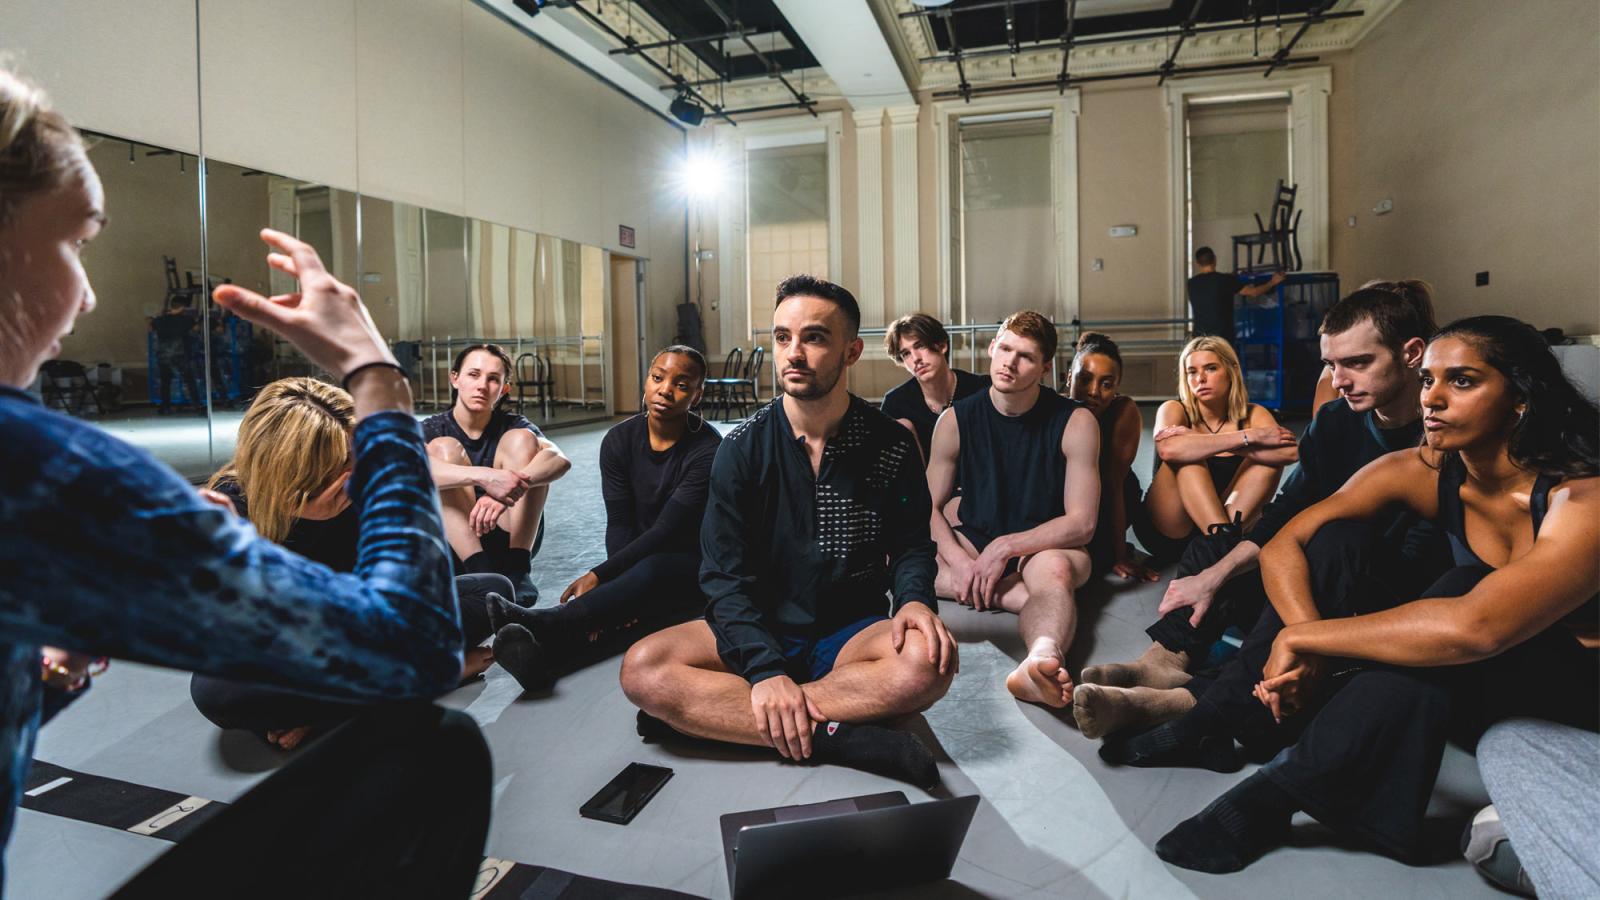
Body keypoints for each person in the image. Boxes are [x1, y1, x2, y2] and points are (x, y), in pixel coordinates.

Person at [0, 70, 487, 895]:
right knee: (433, 759)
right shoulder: (38, 471)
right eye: (76, 243)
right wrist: (378, 381)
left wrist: (48, 670)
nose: (85, 295)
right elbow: (415, 645)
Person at [1149, 315, 1599, 873]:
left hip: (1577, 699)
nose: (1433, 399)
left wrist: (1307, 638)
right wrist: (1308, 642)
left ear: (1521, 398)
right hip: (1479, 686)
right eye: (1429, 379)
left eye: (1462, 381)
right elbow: (1290, 540)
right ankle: (1244, 728)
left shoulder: (1582, 499)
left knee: (1460, 593)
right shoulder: (1430, 467)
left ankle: (1276, 793)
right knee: (1340, 539)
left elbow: (1478, 627)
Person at [620, 275, 954, 788]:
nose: (792, 353)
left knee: (929, 665)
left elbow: (912, 544)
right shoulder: (741, 449)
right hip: (759, 623)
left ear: (851, 351)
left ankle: (720, 720)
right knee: (642, 668)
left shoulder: (889, 443)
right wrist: (764, 667)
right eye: (781, 338)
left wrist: (913, 601)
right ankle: (836, 736)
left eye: (814, 337)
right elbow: (722, 576)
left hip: (848, 632)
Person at [1081, 283, 1441, 740]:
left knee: (1333, 546)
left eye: (1358, 363)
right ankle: (1162, 665)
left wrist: (1301, 604)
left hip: (1363, 602)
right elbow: (1286, 511)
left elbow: (1416, 564)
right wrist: (1216, 573)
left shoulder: (1440, 435)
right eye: (1331, 365)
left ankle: (1192, 704)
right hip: (1302, 571)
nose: (1339, 380)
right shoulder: (1335, 419)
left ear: (1412, 354)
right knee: (1215, 547)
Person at [188, 378, 543, 749]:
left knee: (490, 593)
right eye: (340, 470)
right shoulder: (231, 513)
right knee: (218, 690)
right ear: (293, 474)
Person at [487, 346, 722, 690]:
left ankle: (547, 622)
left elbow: (666, 532)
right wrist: (619, 589)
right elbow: (620, 522)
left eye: (682, 385)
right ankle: (546, 663)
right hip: (639, 563)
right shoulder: (618, 440)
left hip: (693, 567)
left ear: (697, 395)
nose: (665, 390)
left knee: (652, 573)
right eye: (657, 378)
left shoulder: (708, 450)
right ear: (647, 380)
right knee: (636, 612)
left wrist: (603, 576)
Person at [927, 310, 1099, 709]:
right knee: (900, 557)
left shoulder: (1075, 421)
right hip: (975, 537)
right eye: (1004, 349)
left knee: (1054, 572)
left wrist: (1005, 548)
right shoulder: (955, 420)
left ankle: (1041, 658)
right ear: (991, 348)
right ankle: (1010, 596)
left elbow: (1082, 523)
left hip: (1045, 542)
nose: (1009, 362)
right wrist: (961, 561)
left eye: (1025, 356)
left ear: (1043, 367)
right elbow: (927, 507)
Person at [423, 343, 570, 600]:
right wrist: (487, 478)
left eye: (493, 379)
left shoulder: (515, 425)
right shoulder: (432, 428)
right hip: (457, 544)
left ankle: (518, 569)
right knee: (441, 450)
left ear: (504, 390)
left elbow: (559, 459)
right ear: (455, 379)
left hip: (509, 534)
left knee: (524, 441)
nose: (482, 385)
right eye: (473, 374)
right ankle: (479, 571)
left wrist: (506, 491)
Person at [1136, 336, 1296, 564]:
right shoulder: (1173, 408)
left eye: (1210, 368)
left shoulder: (1253, 414)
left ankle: (1219, 545)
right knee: (1187, 457)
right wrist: (1249, 438)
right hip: (1168, 531)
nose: (1200, 378)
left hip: (1225, 524)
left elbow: (1289, 453)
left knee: (1266, 462)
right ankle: (1223, 550)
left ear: (1231, 371)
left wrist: (1223, 444)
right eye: (1192, 372)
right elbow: (1168, 449)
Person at [1064, 331, 1156, 582]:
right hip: (1071, 505)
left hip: (1111, 500)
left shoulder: (1122, 411)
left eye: (1106, 384)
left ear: (1116, 388)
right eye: (1085, 379)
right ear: (1069, 377)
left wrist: (1119, 556)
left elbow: (1114, 488)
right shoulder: (1054, 410)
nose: (1094, 391)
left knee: (1092, 563)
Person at [879, 313, 988, 460]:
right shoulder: (896, 403)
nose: (916, 358)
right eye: (906, 354)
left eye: (920, 345)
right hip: (922, 481)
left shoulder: (981, 389)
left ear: (942, 345)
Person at [1186, 245, 1284, 345]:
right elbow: (1254, 292)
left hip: (1199, 339)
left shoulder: (1191, 284)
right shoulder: (1225, 280)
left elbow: (1208, 295)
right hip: (1222, 337)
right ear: (1214, 259)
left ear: (1198, 263)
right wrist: (1272, 282)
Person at [149, 293, 202, 413]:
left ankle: (165, 406)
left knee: (165, 382)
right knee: (189, 380)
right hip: (180, 353)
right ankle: (197, 406)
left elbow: (150, 328)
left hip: (163, 354)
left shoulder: (159, 320)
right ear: (183, 307)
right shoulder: (186, 320)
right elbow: (196, 329)